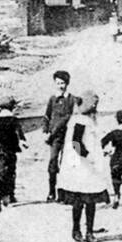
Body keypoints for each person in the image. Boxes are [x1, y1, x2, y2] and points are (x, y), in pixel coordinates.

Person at [58, 92, 112, 242]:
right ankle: (76, 230)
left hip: (89, 166)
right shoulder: (80, 120)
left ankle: (89, 231)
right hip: (81, 166)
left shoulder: (87, 120)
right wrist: (89, 156)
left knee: (90, 200)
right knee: (80, 199)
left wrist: (101, 151)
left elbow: (91, 141)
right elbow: (76, 143)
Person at [43, 70, 75, 202]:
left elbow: (69, 117)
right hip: (54, 138)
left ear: (67, 83)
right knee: (53, 162)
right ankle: (51, 191)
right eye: (58, 83)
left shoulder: (71, 99)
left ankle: (64, 193)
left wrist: (54, 131)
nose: (60, 86)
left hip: (67, 135)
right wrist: (45, 130)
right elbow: (46, 116)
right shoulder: (52, 98)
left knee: (66, 163)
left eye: (63, 83)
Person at [0, 97, 27, 206]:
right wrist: (23, 141)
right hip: (11, 150)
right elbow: (19, 133)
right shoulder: (14, 120)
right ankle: (10, 194)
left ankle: (3, 193)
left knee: (0, 172)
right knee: (11, 172)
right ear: (12, 108)